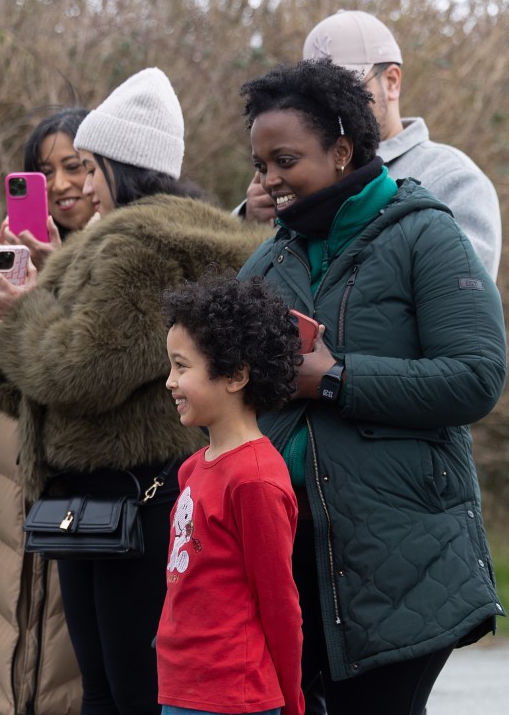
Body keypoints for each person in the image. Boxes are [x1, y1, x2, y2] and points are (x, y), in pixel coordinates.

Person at [0, 67, 265, 714]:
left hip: (124, 499)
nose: (82, 184)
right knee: (131, 682)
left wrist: (23, 312)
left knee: (122, 689)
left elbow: (80, 370)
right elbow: (30, 381)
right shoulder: (191, 236)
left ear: (117, 165)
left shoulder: (138, 247)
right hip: (137, 496)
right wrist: (21, 320)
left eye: (90, 167)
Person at [237, 58, 506, 715]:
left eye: (285, 160)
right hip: (287, 555)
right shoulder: (269, 258)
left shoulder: (425, 233)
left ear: (342, 150)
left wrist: (333, 381)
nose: (269, 180)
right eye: (261, 164)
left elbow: (475, 377)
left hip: (403, 562)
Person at [0, 107, 92, 715]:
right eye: (46, 171)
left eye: (76, 165)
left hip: (69, 488)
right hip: (6, 492)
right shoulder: (10, 252)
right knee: (10, 652)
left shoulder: (113, 266)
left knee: (64, 671)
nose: (64, 183)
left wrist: (46, 289)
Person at [239, 10, 502, 280]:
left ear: (391, 82)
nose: (331, 102)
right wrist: (251, 225)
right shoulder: (286, 174)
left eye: (350, 84)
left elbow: (460, 296)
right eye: (316, 92)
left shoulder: (455, 179)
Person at [157, 274, 304, 715]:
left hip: (234, 697)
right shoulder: (192, 469)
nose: (169, 381)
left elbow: (280, 605)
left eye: (182, 367)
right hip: (181, 686)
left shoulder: (254, 479)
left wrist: (294, 703)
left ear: (236, 374)